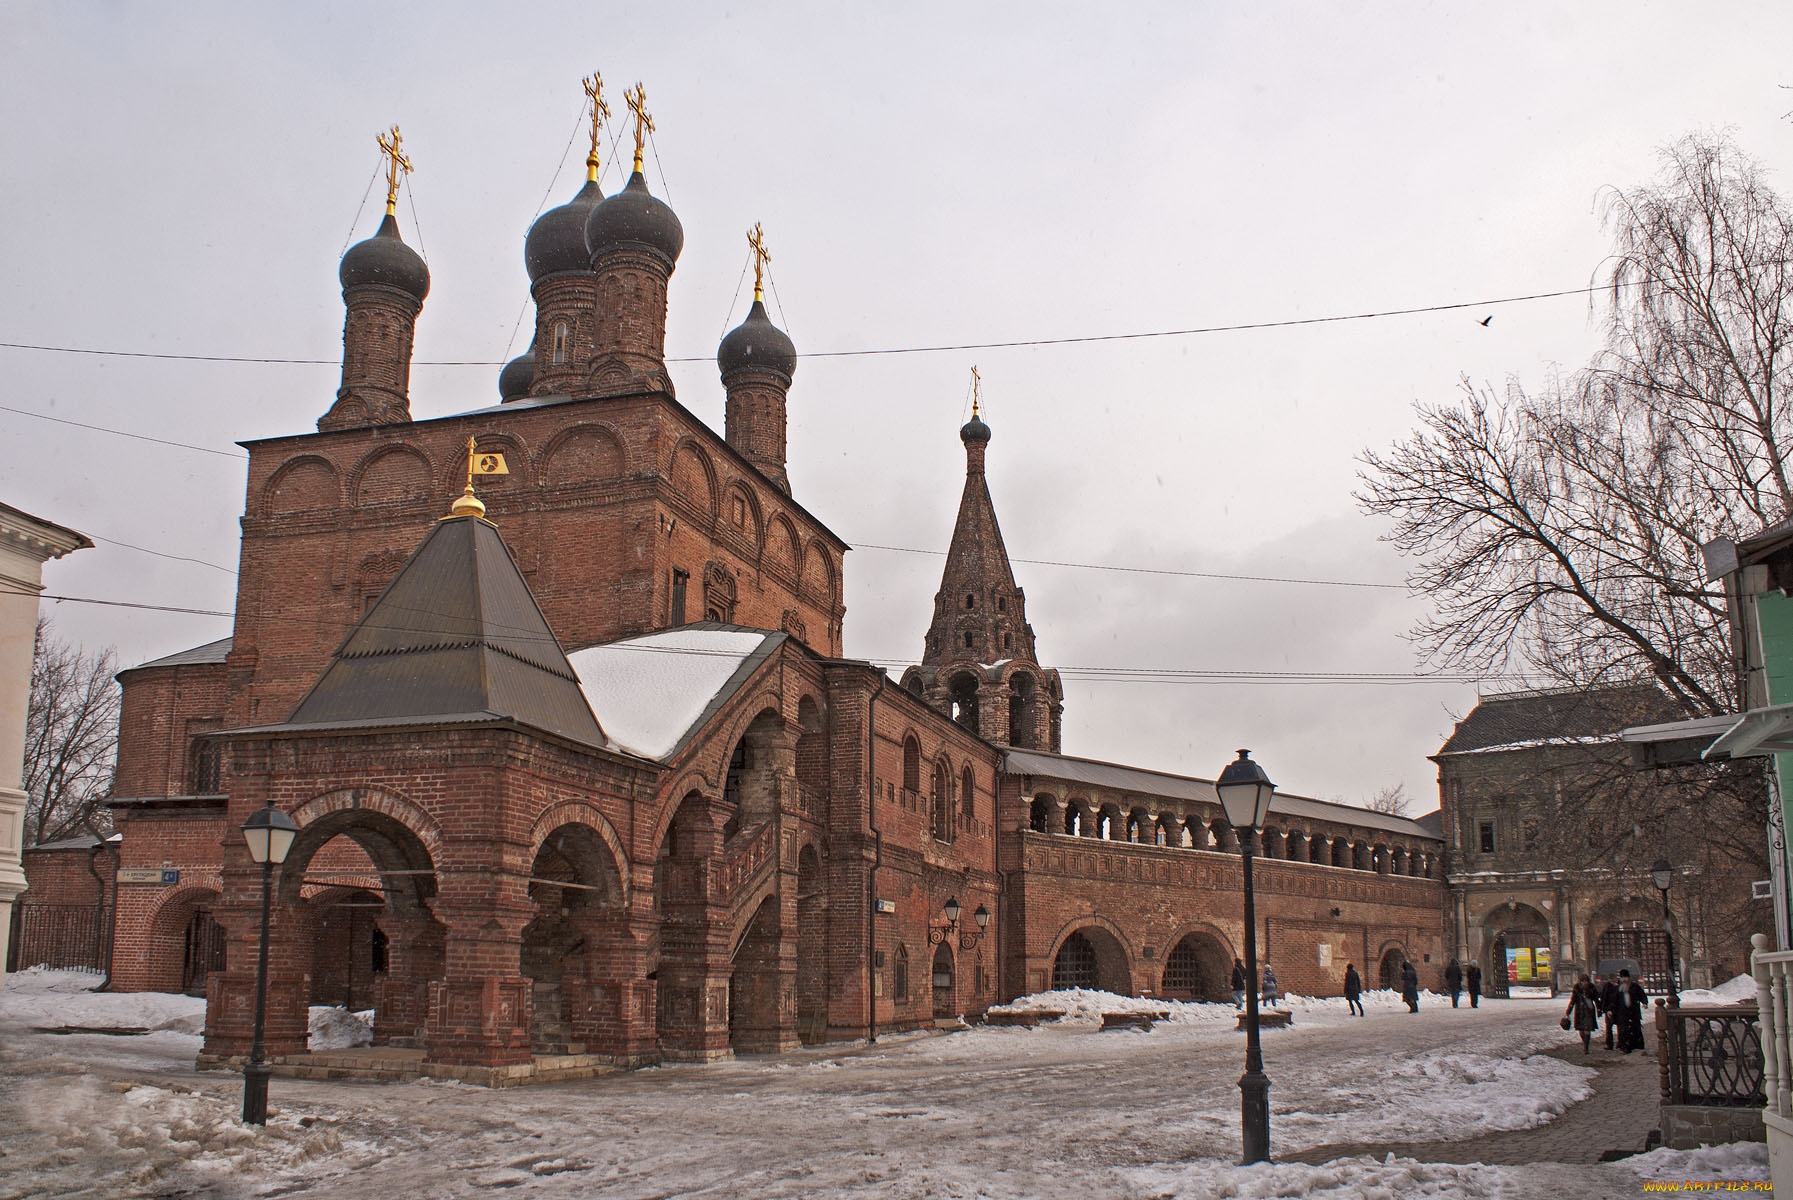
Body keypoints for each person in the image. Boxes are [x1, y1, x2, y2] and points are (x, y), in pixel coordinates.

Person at [1613, 968, 1649, 1054]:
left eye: (1625, 977)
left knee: (1634, 1028)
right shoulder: (1618, 988)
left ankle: (1636, 1045)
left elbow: (1641, 995)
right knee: (1623, 1030)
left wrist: (1644, 1002)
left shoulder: (1634, 986)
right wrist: (1611, 1009)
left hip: (1633, 1011)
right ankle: (1624, 1046)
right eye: (1622, 977)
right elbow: (1614, 1000)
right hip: (1622, 1013)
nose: (1624, 979)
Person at [1564, 972, 1601, 1054]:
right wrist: (1568, 1011)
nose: (1584, 983)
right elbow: (1573, 1000)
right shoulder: (1577, 988)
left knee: (1587, 1029)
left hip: (1589, 1010)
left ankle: (1586, 1047)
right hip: (1580, 1011)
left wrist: (1599, 1010)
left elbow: (1596, 999)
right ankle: (1585, 1042)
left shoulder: (1591, 987)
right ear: (1580, 981)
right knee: (1581, 1030)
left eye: (1586, 981)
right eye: (1583, 981)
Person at [1598, 971, 1621, 1050]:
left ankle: (1618, 1043)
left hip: (1616, 1009)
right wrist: (1603, 1008)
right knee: (1610, 1027)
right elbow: (1604, 998)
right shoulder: (1607, 986)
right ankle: (1611, 1044)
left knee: (1616, 1027)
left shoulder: (1618, 986)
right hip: (1610, 1009)